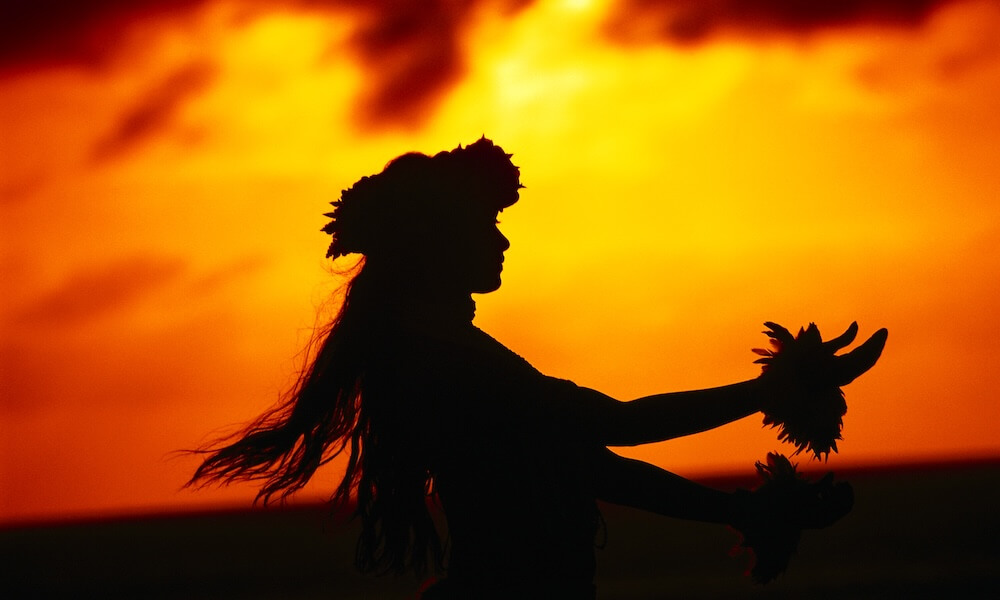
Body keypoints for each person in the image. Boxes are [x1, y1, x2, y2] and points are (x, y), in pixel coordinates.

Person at [189, 137, 887, 598]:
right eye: (483, 226)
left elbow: (587, 463)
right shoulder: (443, 360)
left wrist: (743, 511)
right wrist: (774, 388)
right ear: (437, 244)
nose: (502, 239)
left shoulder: (442, 348)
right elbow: (615, 425)